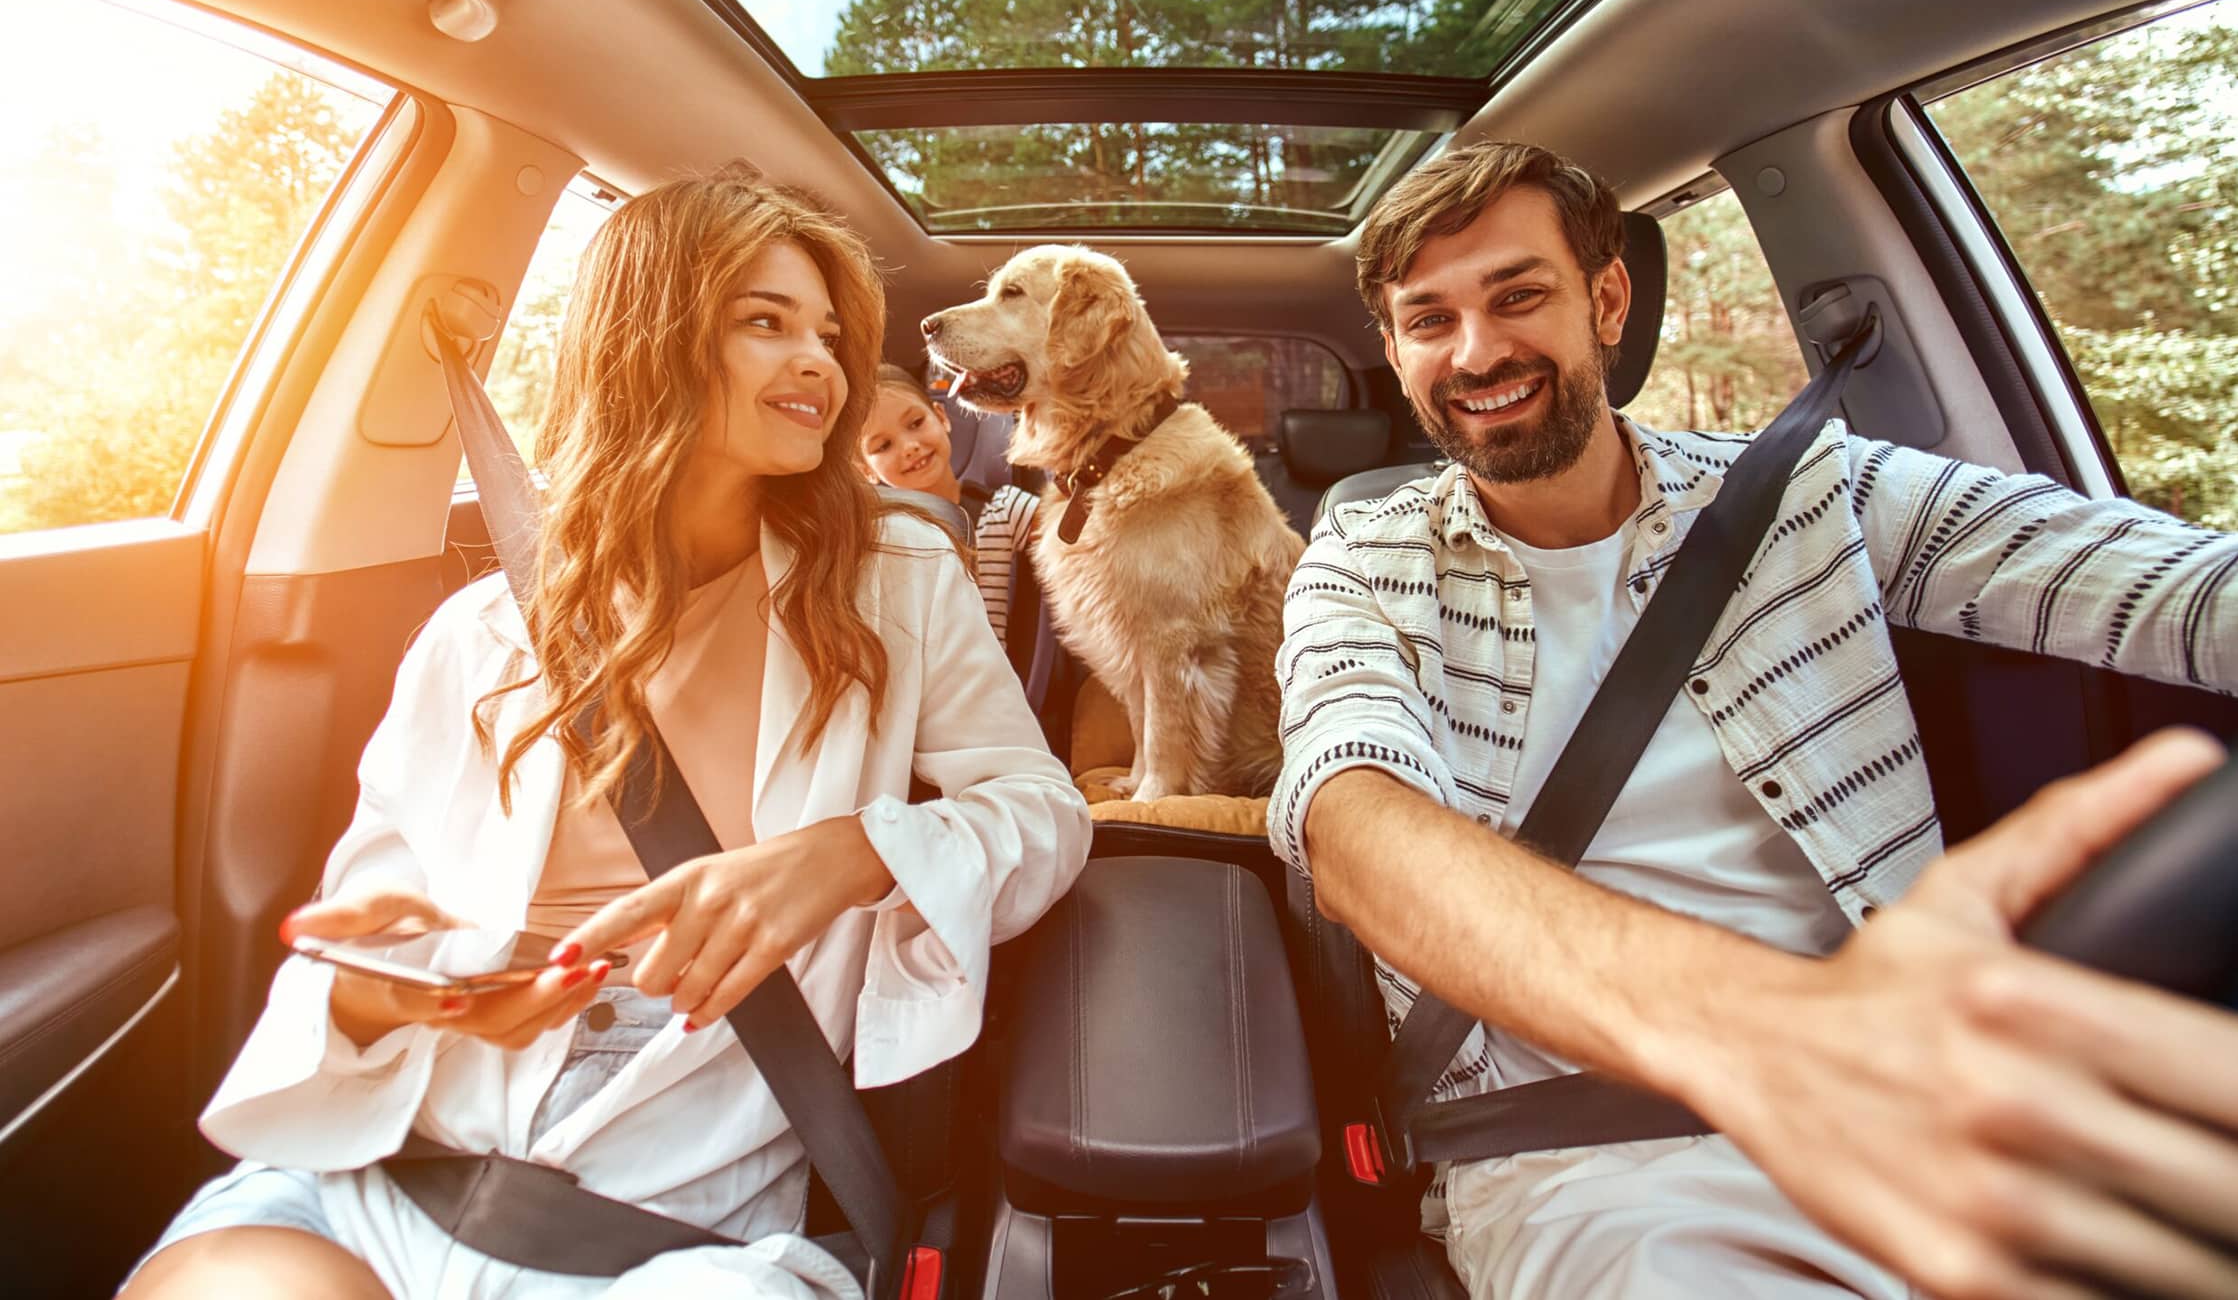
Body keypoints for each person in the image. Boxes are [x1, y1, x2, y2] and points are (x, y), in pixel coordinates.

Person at [1271, 140, 2238, 1299]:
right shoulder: (1365, 556)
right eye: (1429, 320)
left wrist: (1858, 1049)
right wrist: (1786, 1034)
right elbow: (1354, 818)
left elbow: (2152, 583)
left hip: (1916, 1087)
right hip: (1582, 1160)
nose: (1477, 353)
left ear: (1608, 298)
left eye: (1519, 295)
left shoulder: (1804, 492)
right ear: (1392, 348)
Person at [124, 170, 1091, 1299]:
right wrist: (398, 989)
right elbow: (371, 940)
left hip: (676, 1223)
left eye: (829, 332)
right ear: (650, 339)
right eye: (764, 322)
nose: (820, 364)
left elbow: (1046, 814)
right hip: (388, 1167)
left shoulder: (897, 580)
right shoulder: (477, 634)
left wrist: (852, 855)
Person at [857, 363, 1039, 646]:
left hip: (990, 682)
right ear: (866, 471)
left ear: (941, 417)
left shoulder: (1001, 509)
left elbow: (1076, 535)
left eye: (916, 423)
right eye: (884, 446)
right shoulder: (883, 543)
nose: (909, 447)